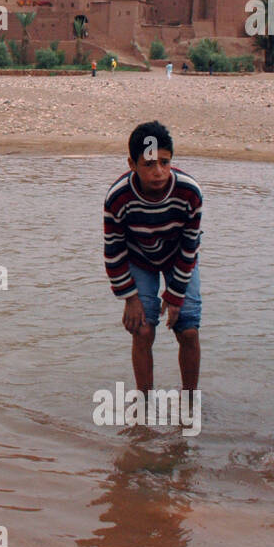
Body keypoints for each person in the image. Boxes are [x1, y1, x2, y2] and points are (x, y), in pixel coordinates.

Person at [104, 122, 203, 392]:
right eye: (148, 164)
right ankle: (144, 402)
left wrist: (175, 295)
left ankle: (190, 400)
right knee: (143, 329)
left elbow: (189, 247)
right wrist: (130, 298)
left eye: (164, 162)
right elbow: (114, 252)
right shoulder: (118, 198)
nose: (158, 172)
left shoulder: (189, 192)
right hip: (138, 258)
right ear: (132, 164)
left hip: (178, 257)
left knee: (188, 330)